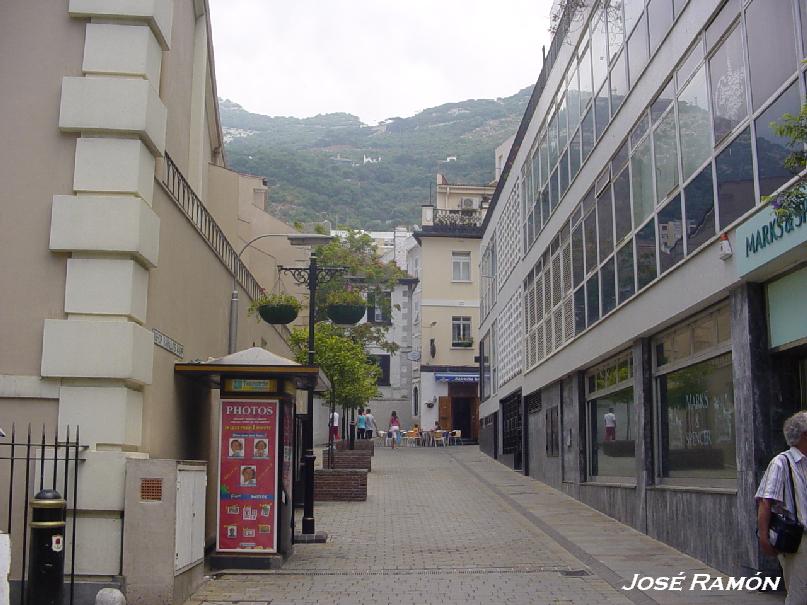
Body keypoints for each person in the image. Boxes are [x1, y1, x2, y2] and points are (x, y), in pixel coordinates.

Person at [756, 411, 807, 605]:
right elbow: (765, 502)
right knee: (800, 595)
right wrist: (764, 538)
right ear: (804, 435)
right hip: (798, 540)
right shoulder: (781, 463)